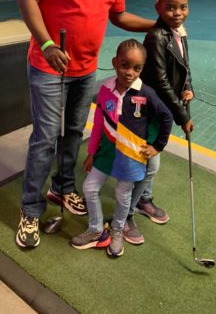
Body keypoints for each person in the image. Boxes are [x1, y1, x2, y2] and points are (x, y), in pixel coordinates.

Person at [15, 0, 155, 249]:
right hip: (48, 64)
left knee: (74, 133)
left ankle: (62, 189)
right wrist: (47, 43)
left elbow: (119, 16)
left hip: (86, 68)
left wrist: (159, 24)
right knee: (46, 137)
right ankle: (30, 210)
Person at [70, 39, 173, 258]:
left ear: (142, 69)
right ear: (115, 62)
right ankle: (96, 229)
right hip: (106, 153)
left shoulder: (146, 94)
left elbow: (166, 116)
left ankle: (117, 229)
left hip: (130, 156)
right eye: (124, 65)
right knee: (89, 187)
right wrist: (91, 152)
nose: (129, 73)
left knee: (122, 194)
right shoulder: (105, 89)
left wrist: (157, 146)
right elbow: (98, 123)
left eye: (136, 68)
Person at [124, 0, 197, 245]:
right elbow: (161, 81)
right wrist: (183, 116)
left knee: (150, 164)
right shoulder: (156, 36)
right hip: (151, 108)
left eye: (183, 7)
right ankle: (126, 215)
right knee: (147, 164)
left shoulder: (179, 32)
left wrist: (188, 88)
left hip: (165, 108)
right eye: (170, 8)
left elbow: (184, 68)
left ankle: (144, 200)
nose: (177, 13)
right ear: (158, 8)